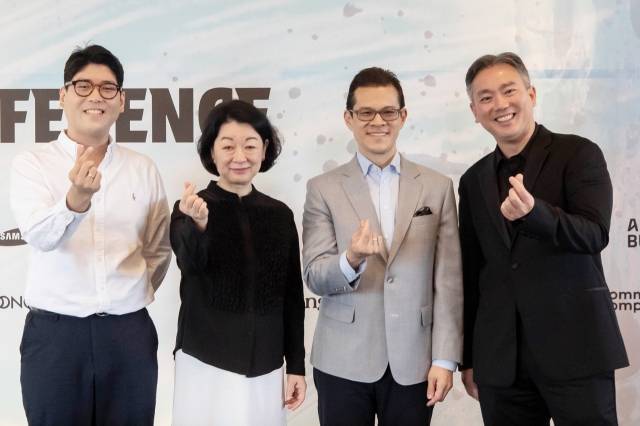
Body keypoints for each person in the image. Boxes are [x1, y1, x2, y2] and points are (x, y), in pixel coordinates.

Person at [458, 52, 629, 426]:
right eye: (486, 97)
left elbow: (595, 233)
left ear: (531, 94)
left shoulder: (578, 153)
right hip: (501, 363)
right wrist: (470, 358)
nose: (500, 105)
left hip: (577, 351)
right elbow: (473, 273)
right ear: (474, 110)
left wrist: (536, 215)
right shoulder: (472, 181)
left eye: (508, 91)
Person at [10, 45, 171, 425]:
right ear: (63, 95)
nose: (95, 96)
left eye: (107, 88)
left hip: (128, 334)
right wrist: (75, 200)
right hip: (55, 337)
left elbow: (158, 249)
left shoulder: (142, 168)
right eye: (83, 86)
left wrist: (128, 292)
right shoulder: (32, 163)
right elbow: (39, 236)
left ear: (121, 101)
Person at [302, 67, 463, 426]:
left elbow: (449, 282)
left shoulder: (436, 186)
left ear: (403, 116)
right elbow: (314, 275)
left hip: (416, 360)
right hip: (342, 359)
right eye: (366, 113)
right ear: (349, 118)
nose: (378, 121)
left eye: (388, 112)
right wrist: (351, 258)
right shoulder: (322, 188)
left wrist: (445, 358)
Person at [169, 99, 306, 425]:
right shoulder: (189, 207)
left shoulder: (280, 214)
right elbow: (189, 263)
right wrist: (198, 224)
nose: (240, 156)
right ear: (212, 153)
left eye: (250, 145)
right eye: (228, 146)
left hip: (266, 366)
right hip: (205, 363)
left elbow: (291, 296)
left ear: (265, 149)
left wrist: (296, 366)